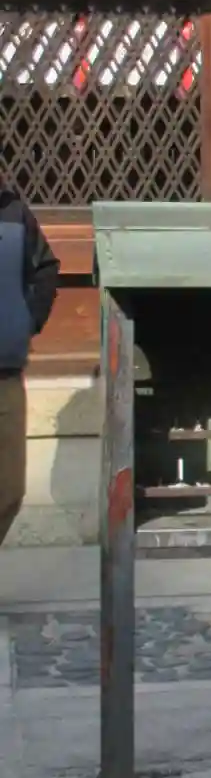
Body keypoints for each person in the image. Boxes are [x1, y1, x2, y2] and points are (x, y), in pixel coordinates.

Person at [0, 183, 58, 546]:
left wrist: (26, 321)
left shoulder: (14, 212)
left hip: (6, 374)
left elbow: (46, 268)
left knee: (9, 489)